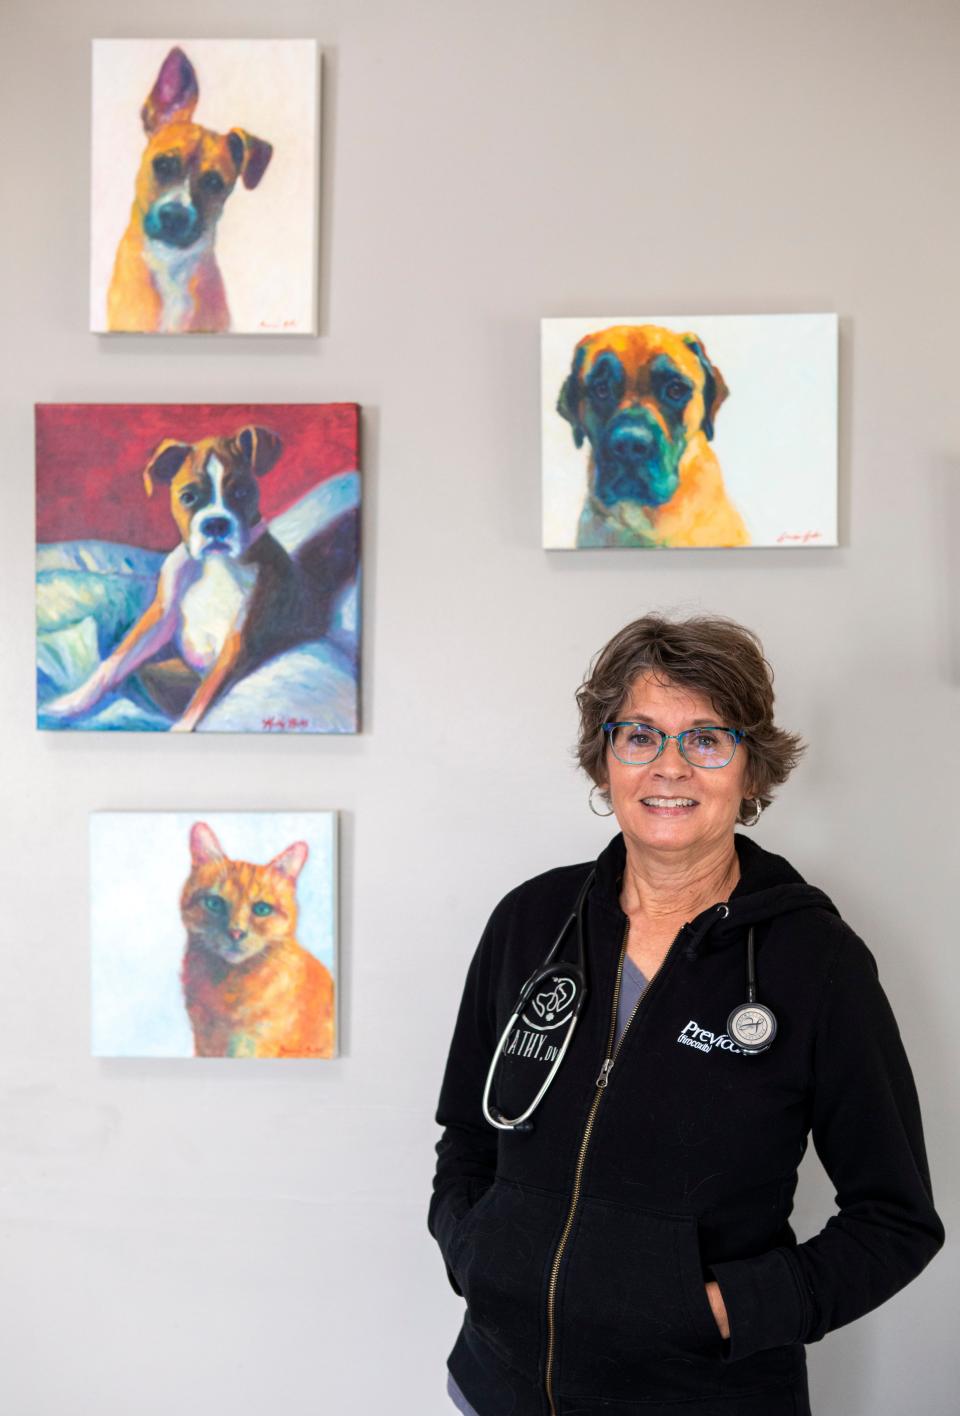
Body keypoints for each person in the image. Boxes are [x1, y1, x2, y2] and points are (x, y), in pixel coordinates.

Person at [427, 613, 944, 1416]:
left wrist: (721, 1312)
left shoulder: (818, 963)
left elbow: (896, 1220)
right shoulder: (530, 922)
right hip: (496, 1388)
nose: (669, 767)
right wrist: (478, 1253)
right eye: (639, 735)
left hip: (702, 1397)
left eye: (706, 738)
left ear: (750, 767)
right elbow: (467, 1131)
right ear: (606, 758)